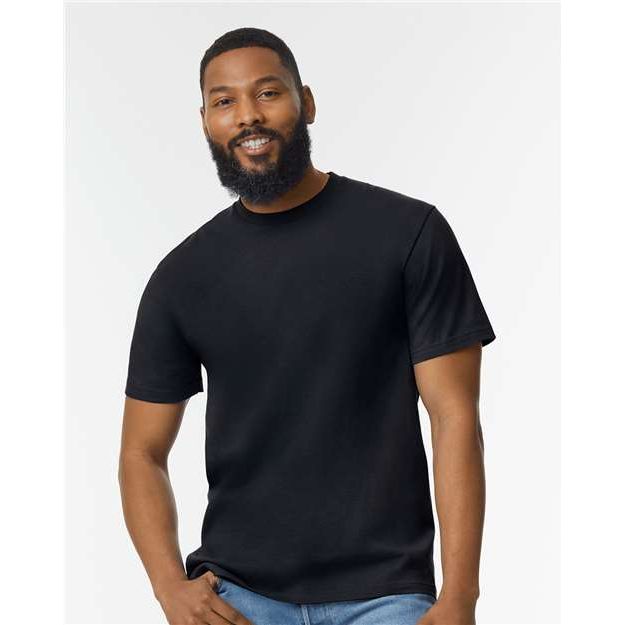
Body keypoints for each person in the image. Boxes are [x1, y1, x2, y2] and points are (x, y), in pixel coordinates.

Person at [118, 27, 496, 625]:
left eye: (268, 92)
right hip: (238, 596)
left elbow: (455, 418)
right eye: (225, 101)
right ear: (206, 122)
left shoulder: (408, 233)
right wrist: (169, 586)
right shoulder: (182, 276)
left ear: (307, 102)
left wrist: (460, 597)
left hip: (386, 596)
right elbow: (141, 452)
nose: (248, 115)